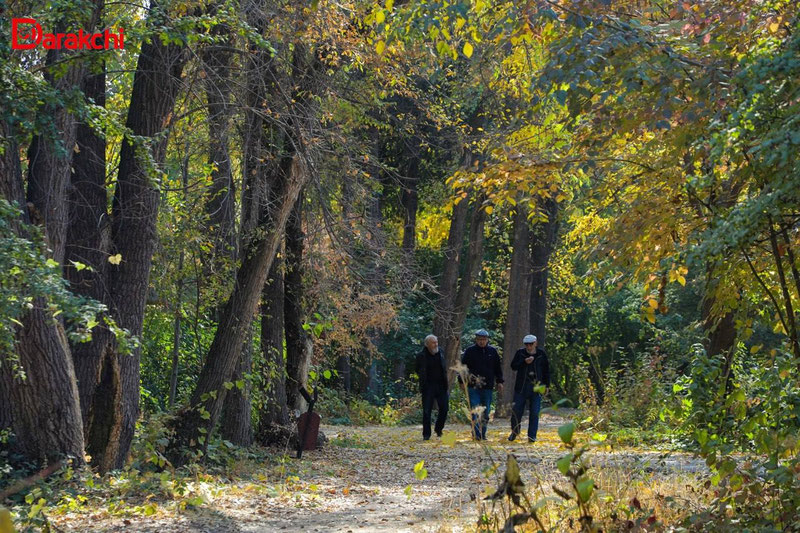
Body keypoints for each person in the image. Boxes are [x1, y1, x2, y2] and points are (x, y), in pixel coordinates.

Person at [460, 329, 504, 440]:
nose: (482, 342)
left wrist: (500, 381)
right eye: (479, 339)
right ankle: (476, 434)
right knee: (475, 410)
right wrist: (461, 381)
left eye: (484, 339)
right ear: (476, 339)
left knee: (486, 411)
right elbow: (463, 367)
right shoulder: (470, 351)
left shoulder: (492, 351)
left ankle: (482, 433)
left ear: (487, 340)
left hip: (488, 387)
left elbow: (497, 368)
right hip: (473, 386)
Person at [508, 334, 550, 443]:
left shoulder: (541, 354)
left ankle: (532, 436)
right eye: (526, 344)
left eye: (531, 344)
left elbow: (546, 371)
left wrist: (547, 386)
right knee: (516, 411)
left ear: (535, 343)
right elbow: (513, 366)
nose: (529, 346)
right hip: (521, 387)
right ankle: (515, 432)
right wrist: (524, 362)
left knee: (534, 413)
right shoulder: (520, 353)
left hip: (537, 387)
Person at [415, 334, 449, 441]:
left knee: (444, 408)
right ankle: (426, 434)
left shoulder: (441, 353)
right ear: (427, 344)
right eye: (433, 342)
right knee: (427, 411)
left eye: (436, 342)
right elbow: (417, 369)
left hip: (441, 385)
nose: (436, 344)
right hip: (428, 386)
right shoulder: (421, 356)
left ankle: (438, 429)